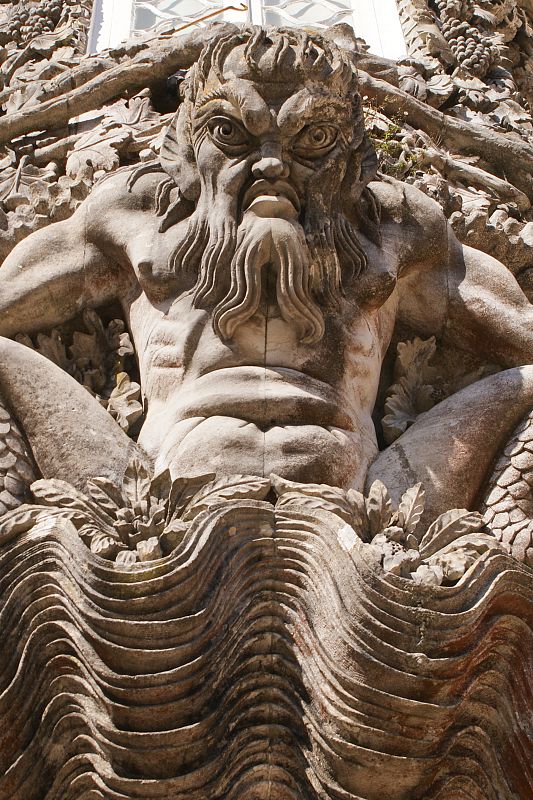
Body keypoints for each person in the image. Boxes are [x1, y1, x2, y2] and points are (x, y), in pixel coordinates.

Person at [1, 26, 533, 490]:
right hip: (152, 483)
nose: (273, 164)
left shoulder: (394, 229)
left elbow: (519, 331)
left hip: (368, 486)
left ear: (352, 164)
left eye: (315, 138)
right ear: (186, 156)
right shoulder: (134, 217)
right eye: (232, 134)